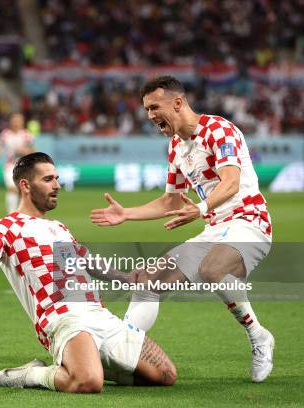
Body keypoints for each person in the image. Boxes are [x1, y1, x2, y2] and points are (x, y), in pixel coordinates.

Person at [0, 152, 176, 393]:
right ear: (25, 185)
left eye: (57, 179)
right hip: (63, 317)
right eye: (48, 179)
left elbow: (87, 262)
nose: (57, 185)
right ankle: (31, 374)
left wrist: (127, 278)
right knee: (88, 382)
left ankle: (87, 362)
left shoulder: (58, 227)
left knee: (164, 375)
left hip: (99, 315)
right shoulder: (8, 226)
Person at [90, 76, 274, 383]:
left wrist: (200, 208)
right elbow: (169, 201)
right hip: (215, 230)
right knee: (148, 280)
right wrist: (127, 214)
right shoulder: (176, 148)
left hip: (249, 223)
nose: (149, 116)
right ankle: (123, 352)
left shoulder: (219, 130)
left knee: (212, 268)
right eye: (146, 109)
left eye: (154, 107)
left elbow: (230, 182)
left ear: (177, 103)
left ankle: (259, 336)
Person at [0, 112, 34, 213]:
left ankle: (22, 213)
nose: (16, 122)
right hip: (10, 166)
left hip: (24, 167)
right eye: (14, 120)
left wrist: (25, 151)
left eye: (19, 120)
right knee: (12, 188)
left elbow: (33, 151)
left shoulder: (26, 135)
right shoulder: (5, 134)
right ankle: (11, 214)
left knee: (23, 191)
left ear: (22, 121)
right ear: (11, 121)